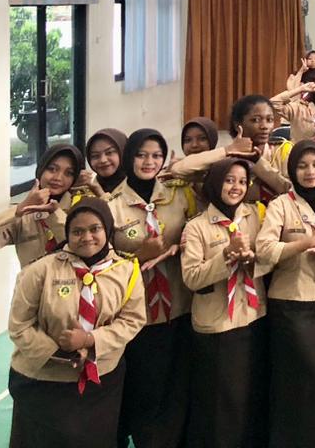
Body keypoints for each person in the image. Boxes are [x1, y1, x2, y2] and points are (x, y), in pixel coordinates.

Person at [8, 197, 146, 448]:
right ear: (68, 233)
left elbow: (132, 320)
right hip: (44, 382)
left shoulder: (127, 271)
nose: (86, 237)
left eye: (95, 229)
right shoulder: (40, 270)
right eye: (77, 231)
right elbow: (20, 325)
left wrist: (91, 340)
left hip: (100, 383)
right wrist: (61, 354)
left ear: (107, 228)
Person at [108, 128, 198, 448]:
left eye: (157, 155)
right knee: (144, 388)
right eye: (141, 155)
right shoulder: (111, 205)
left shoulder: (179, 195)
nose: (149, 162)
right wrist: (137, 257)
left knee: (177, 387)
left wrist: (180, 246)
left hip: (180, 307)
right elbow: (102, 263)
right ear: (129, 157)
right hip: (137, 315)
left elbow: (198, 233)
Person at [256, 139, 315, 448]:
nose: (310, 172)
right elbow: (264, 249)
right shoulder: (282, 204)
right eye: (303, 166)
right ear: (292, 170)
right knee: (300, 378)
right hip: (290, 303)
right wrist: (305, 244)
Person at [180, 157, 273, 448]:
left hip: (254, 316)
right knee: (221, 402)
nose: (236, 187)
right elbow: (192, 278)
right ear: (215, 183)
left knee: (252, 394)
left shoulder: (255, 216)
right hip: (217, 324)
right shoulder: (196, 227)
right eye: (229, 180)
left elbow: (269, 257)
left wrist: (252, 260)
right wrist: (225, 257)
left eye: (242, 182)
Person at [0, 143, 87, 268]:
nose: (58, 178)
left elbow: (83, 249)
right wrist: (21, 208)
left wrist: (55, 213)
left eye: (69, 173)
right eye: (52, 169)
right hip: (31, 280)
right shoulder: (24, 214)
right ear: (41, 170)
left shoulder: (81, 208)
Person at [86, 129, 129, 195]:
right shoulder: (87, 188)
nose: (103, 160)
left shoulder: (137, 186)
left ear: (123, 152)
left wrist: (101, 193)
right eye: (95, 156)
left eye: (109, 152)